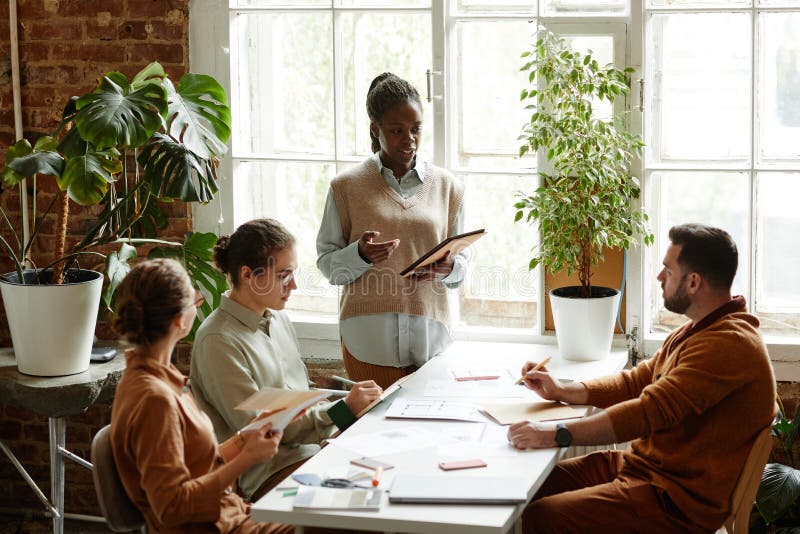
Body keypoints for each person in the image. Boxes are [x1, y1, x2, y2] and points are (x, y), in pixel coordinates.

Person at [508, 223, 776, 533]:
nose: (660, 278)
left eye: (667, 270)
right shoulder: (699, 328)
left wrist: (556, 433)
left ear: (693, 282)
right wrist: (564, 389)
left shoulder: (729, 344)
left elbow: (649, 410)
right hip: (645, 469)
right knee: (529, 487)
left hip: (674, 501)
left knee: (546, 516)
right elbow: (637, 382)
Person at [190, 218, 382, 502]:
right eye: (283, 275)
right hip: (270, 475)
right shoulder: (218, 340)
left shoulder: (278, 318)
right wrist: (342, 410)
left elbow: (301, 397)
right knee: (368, 511)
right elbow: (262, 430)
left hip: (313, 453)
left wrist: (355, 402)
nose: (293, 285)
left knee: (386, 487)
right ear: (248, 275)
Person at [110, 258, 291, 533]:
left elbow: (196, 462)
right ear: (180, 320)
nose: (199, 303)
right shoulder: (154, 400)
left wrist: (243, 441)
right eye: (195, 299)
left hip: (231, 515)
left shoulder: (159, 376)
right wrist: (247, 459)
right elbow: (172, 506)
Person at [316, 72, 467, 388]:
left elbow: (461, 268)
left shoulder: (449, 188)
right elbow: (329, 267)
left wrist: (449, 266)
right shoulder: (345, 187)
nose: (409, 139)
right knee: (372, 434)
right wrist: (359, 254)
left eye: (416, 129)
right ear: (375, 129)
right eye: (397, 130)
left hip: (432, 343)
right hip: (367, 344)